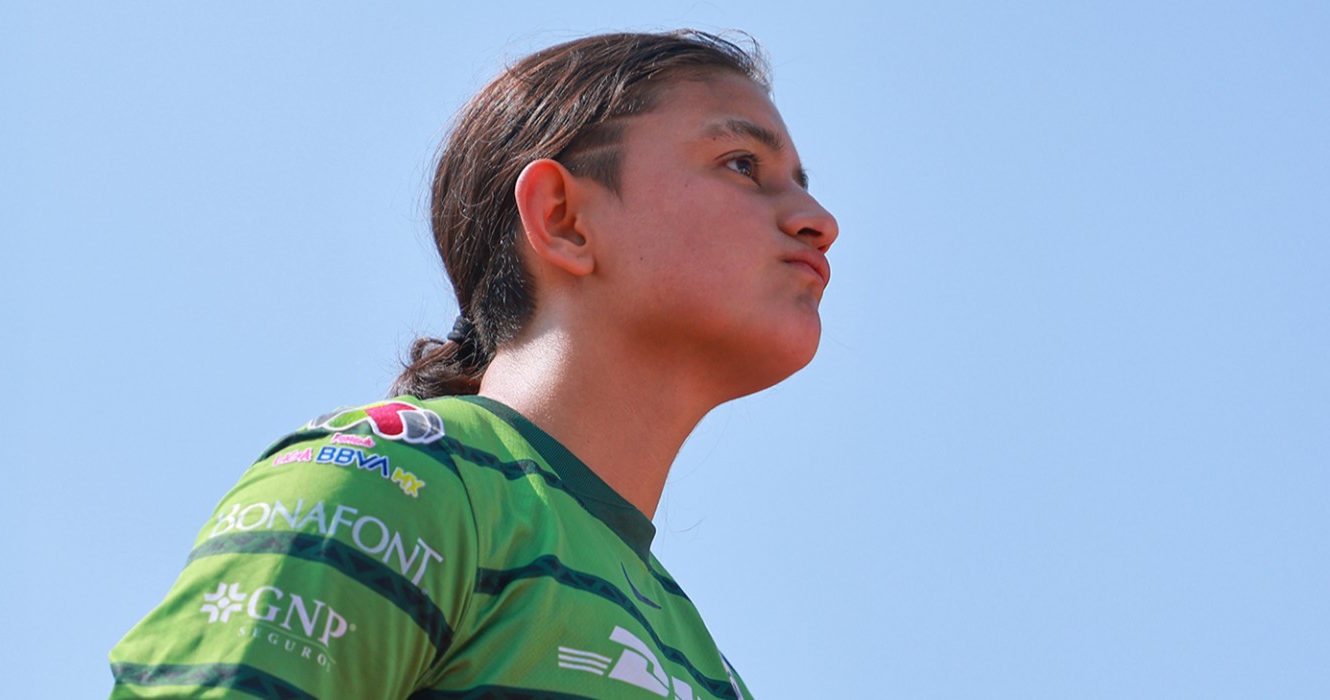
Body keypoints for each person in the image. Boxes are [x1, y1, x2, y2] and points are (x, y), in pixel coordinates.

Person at [106, 29, 838, 699]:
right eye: (743, 165)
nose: (819, 222)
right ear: (562, 219)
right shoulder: (393, 477)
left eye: (803, 182)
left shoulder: (712, 672)